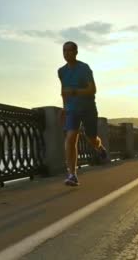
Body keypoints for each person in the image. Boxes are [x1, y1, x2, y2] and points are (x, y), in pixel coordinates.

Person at [58, 41, 108, 186]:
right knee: (71, 138)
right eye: (64, 51)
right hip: (72, 110)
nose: (66, 54)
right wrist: (64, 108)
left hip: (88, 108)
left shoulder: (84, 68)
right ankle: (72, 174)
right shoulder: (61, 71)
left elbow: (92, 90)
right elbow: (63, 91)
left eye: (69, 51)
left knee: (91, 138)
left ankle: (99, 147)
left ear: (76, 52)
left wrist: (74, 92)